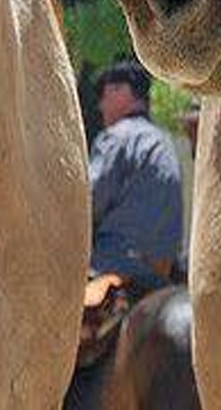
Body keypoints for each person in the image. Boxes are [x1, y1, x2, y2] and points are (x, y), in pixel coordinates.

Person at [88, 59, 183, 295]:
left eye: (105, 95)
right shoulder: (164, 141)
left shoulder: (118, 137)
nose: (100, 106)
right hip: (162, 271)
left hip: (114, 264)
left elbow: (88, 204)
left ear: (123, 91)